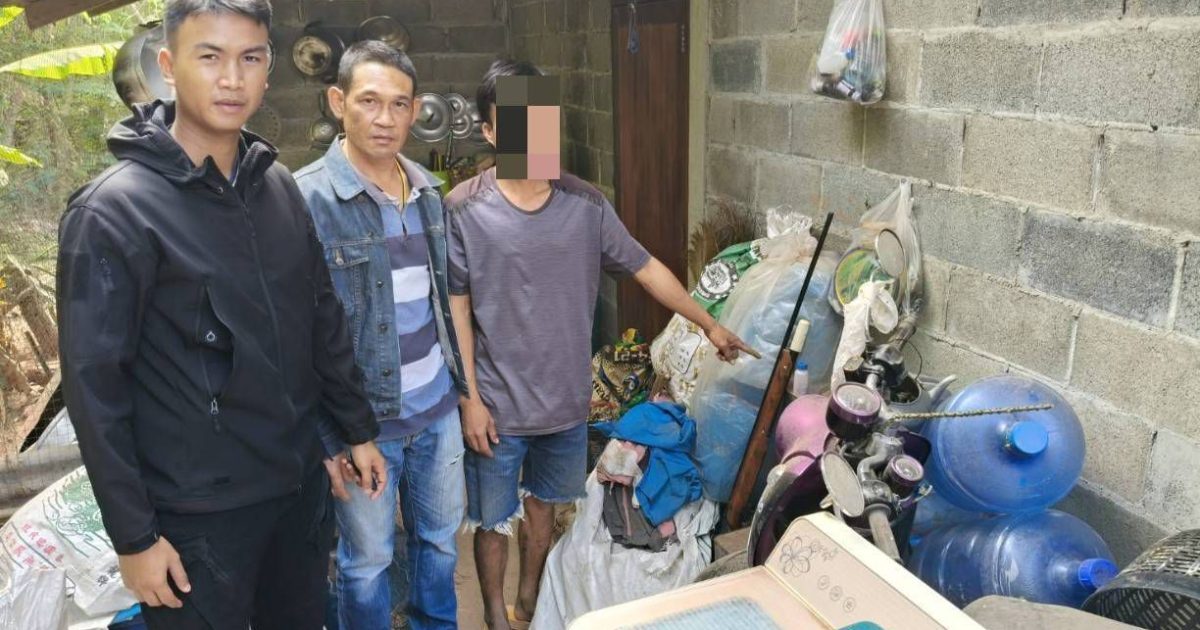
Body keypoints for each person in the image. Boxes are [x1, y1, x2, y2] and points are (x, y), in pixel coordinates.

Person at [55, 1, 387, 628]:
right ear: (168, 66)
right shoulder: (114, 213)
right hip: (198, 518)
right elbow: (95, 392)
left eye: (250, 58)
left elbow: (320, 317)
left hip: (295, 494)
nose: (232, 79)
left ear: (268, 69)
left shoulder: (277, 187)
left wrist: (355, 429)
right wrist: (134, 538)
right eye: (209, 57)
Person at [446, 59, 752, 630]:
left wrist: (707, 323)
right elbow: (457, 307)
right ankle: (493, 616)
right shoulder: (464, 208)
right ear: (489, 131)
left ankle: (528, 604)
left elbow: (645, 267)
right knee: (491, 521)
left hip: (564, 402)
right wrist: (469, 399)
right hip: (496, 403)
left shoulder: (584, 204)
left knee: (544, 511)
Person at [294, 41, 467, 630]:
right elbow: (294, 335)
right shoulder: (306, 198)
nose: (385, 118)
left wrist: (462, 396)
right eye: (369, 101)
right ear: (337, 101)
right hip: (361, 427)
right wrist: (329, 437)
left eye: (398, 104)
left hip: (436, 413)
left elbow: (442, 306)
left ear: (415, 110)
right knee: (366, 562)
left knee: (439, 543)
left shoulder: (428, 193)